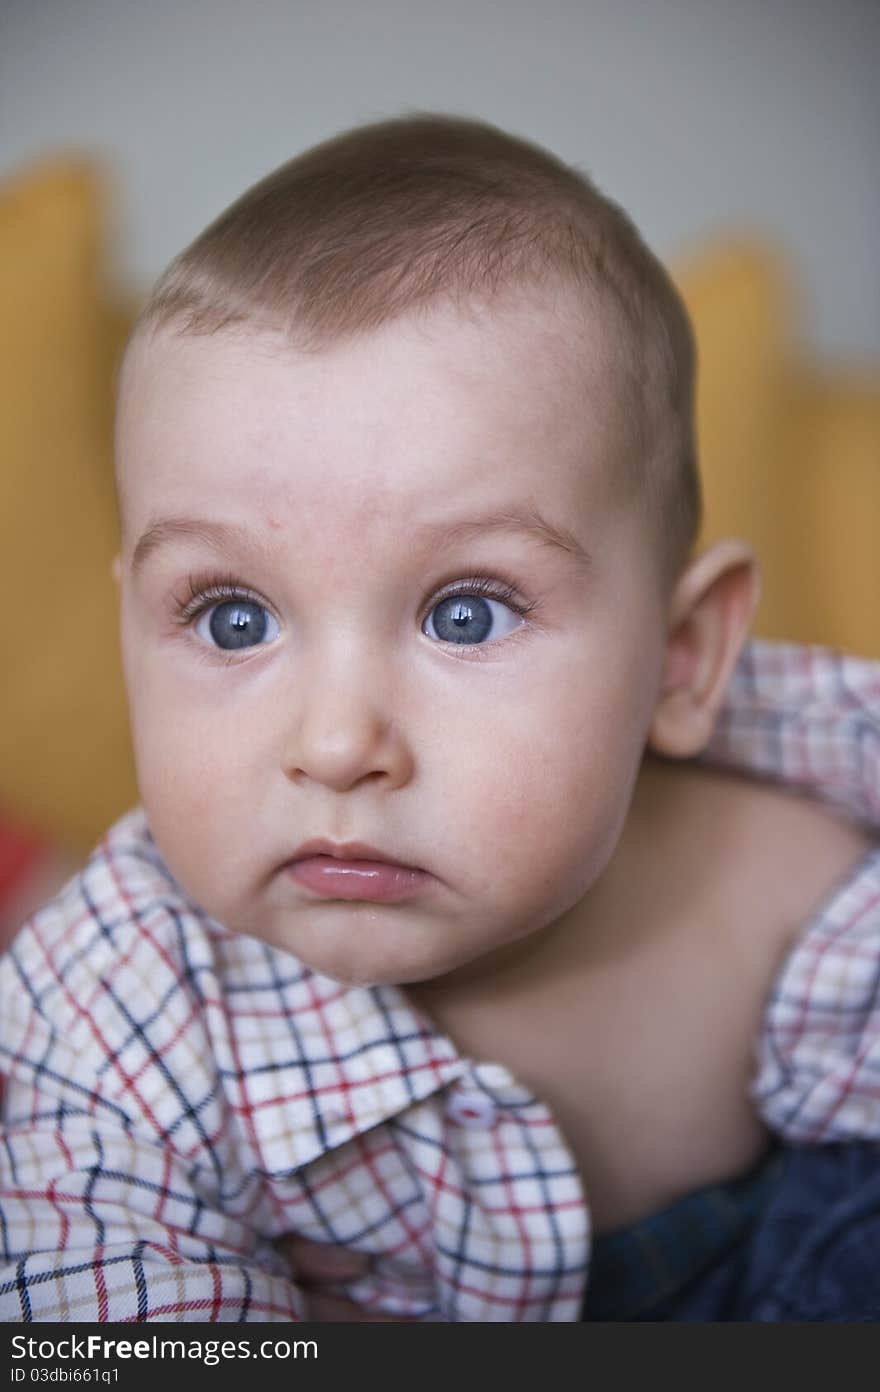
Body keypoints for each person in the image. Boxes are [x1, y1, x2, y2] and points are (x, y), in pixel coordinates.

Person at [0, 114, 878, 1324]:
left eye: (466, 614)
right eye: (232, 618)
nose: (337, 742)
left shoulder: (798, 869)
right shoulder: (110, 1015)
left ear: (681, 660)